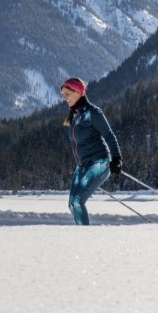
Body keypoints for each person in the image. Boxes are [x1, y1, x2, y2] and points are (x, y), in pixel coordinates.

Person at [60, 77, 122, 225]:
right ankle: (83, 236)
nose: (65, 98)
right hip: (82, 167)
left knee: (77, 201)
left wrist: (117, 158)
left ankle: (85, 238)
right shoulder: (75, 115)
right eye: (63, 95)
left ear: (78, 92)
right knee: (72, 204)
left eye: (67, 94)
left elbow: (109, 135)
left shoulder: (93, 112)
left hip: (99, 163)